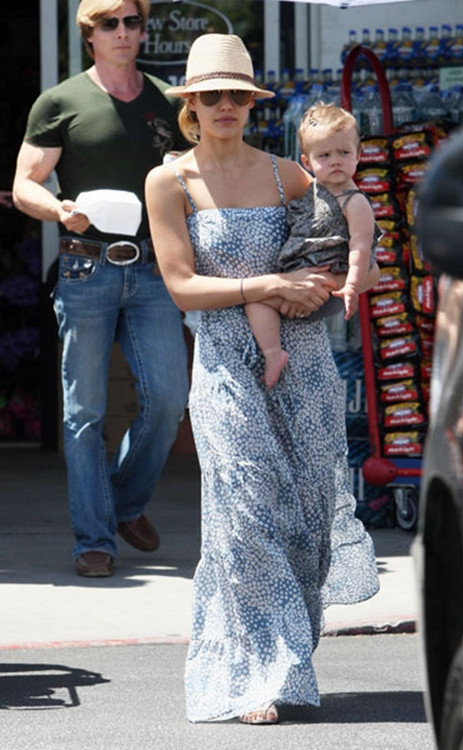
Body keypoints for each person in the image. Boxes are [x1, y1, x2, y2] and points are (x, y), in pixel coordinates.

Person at [145, 33, 380, 725]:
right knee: (245, 514)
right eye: (211, 95)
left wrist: (327, 282)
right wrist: (269, 284)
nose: (225, 105)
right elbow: (181, 286)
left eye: (238, 95)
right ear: (191, 105)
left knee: (305, 517)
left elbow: (349, 253)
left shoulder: (289, 175)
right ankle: (256, 676)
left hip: (303, 361)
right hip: (224, 363)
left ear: (252, 104)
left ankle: (288, 656)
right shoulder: (169, 181)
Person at [12, 0, 190, 578]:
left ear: (143, 30)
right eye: (109, 23)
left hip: (153, 267)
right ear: (89, 34)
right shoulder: (61, 102)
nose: (122, 32)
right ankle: (94, 539)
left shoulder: (169, 101)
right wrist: (59, 209)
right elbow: (24, 183)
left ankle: (124, 502)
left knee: (170, 398)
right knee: (84, 412)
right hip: (85, 265)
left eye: (131, 22)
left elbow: (193, 178)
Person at [245, 103, 382, 387]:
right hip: (300, 277)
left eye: (344, 153)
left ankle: (273, 354)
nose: (335, 161)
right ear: (307, 162)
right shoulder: (311, 190)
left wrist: (349, 286)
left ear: (359, 155)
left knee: (257, 299)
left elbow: (361, 247)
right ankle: (274, 352)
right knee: (262, 299)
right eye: (325, 155)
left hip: (327, 285)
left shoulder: (354, 201)